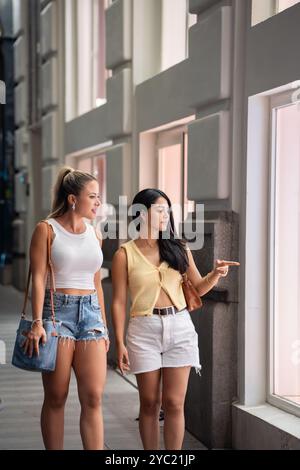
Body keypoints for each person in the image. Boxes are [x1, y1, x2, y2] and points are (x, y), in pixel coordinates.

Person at [111, 188, 239, 450]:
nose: (164, 215)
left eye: (167, 210)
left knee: (174, 403)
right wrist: (120, 342)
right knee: (149, 403)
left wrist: (215, 274)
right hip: (143, 330)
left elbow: (198, 287)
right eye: (159, 209)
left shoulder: (178, 247)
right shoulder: (124, 254)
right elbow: (119, 302)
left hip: (180, 327)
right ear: (140, 213)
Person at [22, 167, 109, 450]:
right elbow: (37, 278)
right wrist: (38, 322)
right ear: (73, 199)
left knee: (94, 397)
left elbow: (97, 283)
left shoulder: (95, 234)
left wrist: (104, 326)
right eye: (92, 196)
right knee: (57, 396)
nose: (98, 202)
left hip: (91, 315)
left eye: (98, 197)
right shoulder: (46, 230)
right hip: (57, 314)